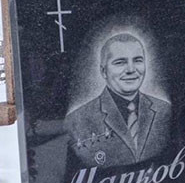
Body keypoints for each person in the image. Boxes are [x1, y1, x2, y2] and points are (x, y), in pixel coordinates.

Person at [66, 33, 171, 168]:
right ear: (104, 71)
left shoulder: (164, 110)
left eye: (138, 60)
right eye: (120, 62)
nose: (131, 70)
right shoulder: (78, 119)